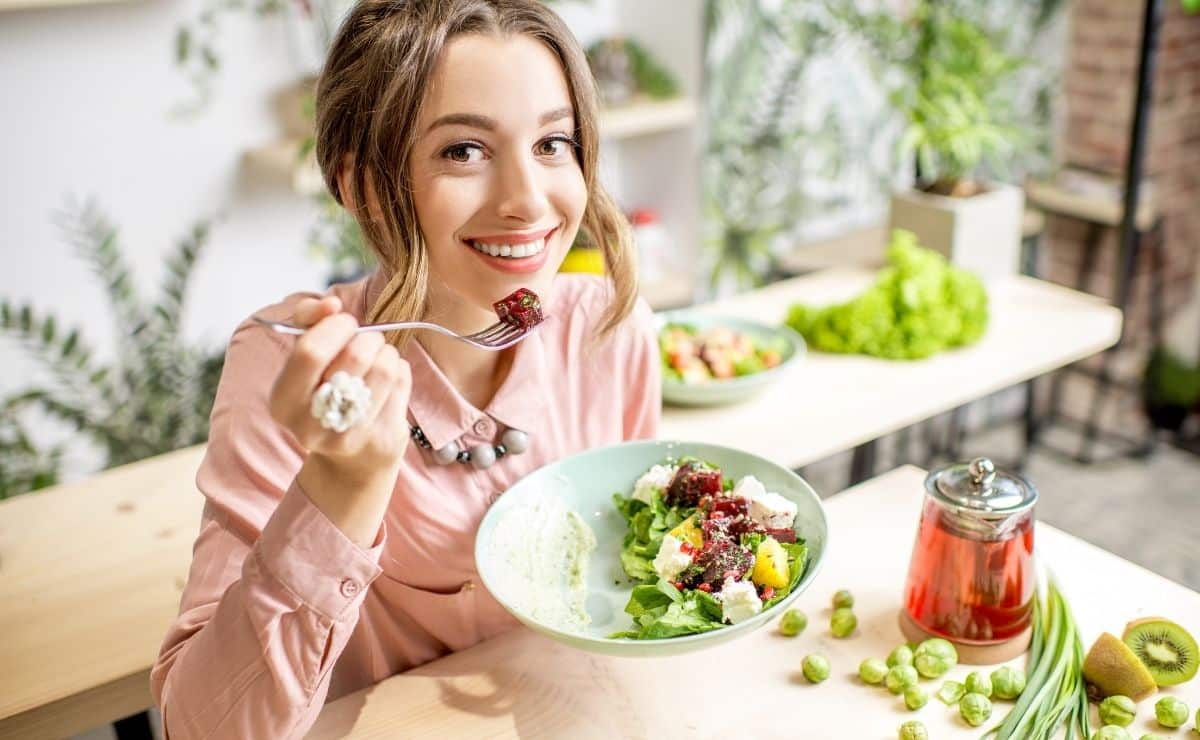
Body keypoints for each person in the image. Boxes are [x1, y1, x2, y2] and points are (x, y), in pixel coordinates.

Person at [150, 1, 660, 736]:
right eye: (464, 151)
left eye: (554, 142)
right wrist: (341, 488)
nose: (527, 202)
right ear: (359, 185)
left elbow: (632, 577)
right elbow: (198, 728)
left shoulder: (607, 330)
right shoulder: (291, 372)